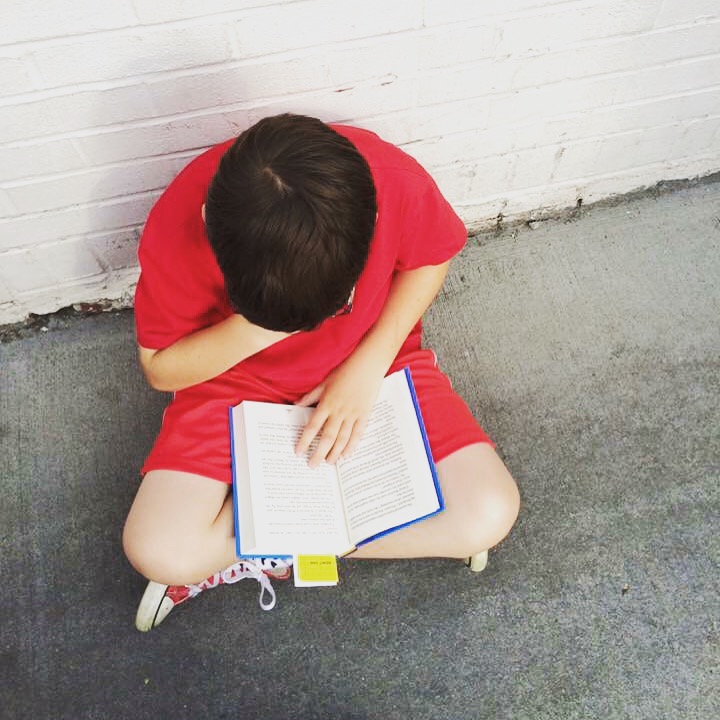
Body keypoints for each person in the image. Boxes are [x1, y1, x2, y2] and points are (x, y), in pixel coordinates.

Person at [123, 113, 520, 631]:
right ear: (207, 225)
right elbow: (161, 369)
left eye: (336, 304)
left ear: (371, 222)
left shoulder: (393, 181)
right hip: (233, 378)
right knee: (158, 550)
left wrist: (367, 365)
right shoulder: (180, 221)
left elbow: (432, 257)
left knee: (490, 512)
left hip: (373, 357)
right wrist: (263, 330)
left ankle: (265, 541)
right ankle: (302, 530)